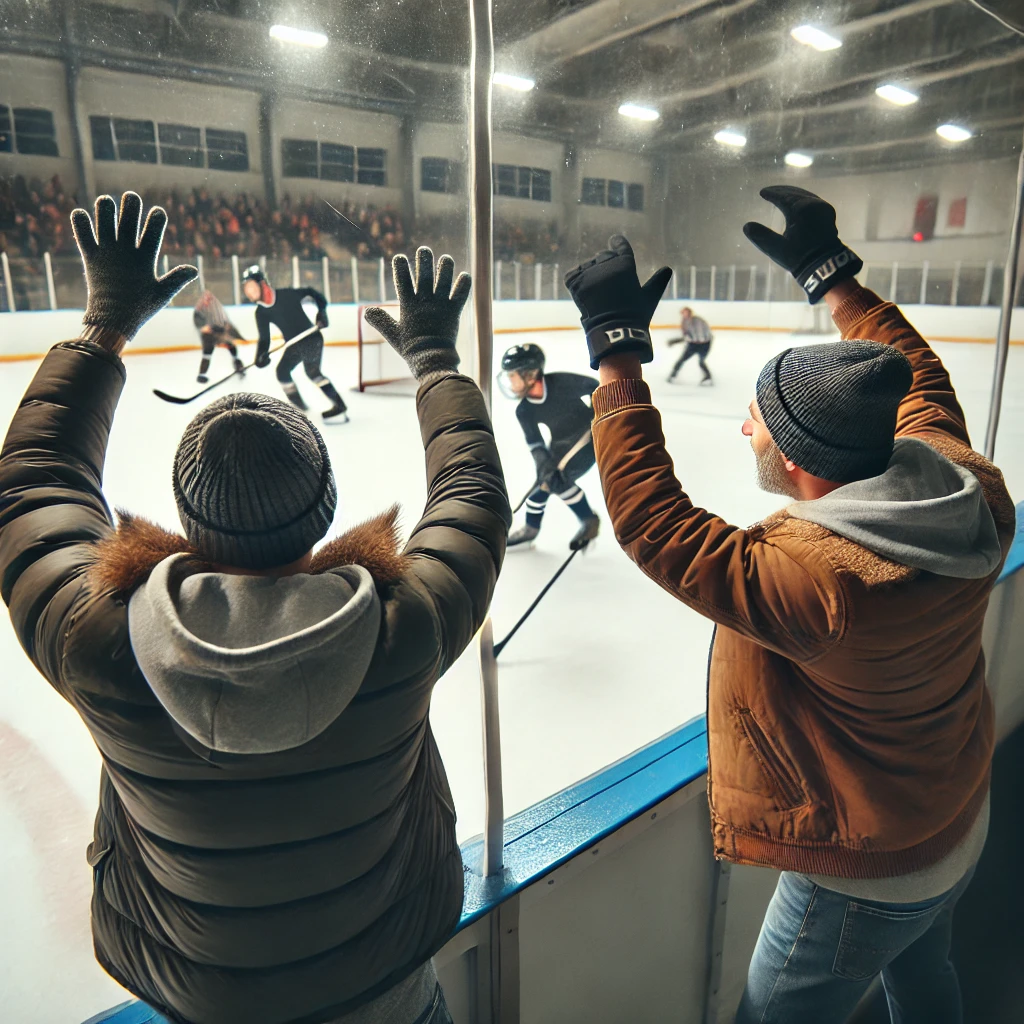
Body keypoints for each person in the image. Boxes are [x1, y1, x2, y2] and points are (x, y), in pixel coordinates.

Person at [0, 195, 510, 1024]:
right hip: (382, 976)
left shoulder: (94, 637)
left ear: (184, 519)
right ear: (325, 510)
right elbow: (473, 497)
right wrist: (435, 362)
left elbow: (32, 483)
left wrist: (101, 330)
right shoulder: (402, 626)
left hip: (204, 993)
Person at [564, 202, 1013, 1024]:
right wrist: (832, 276)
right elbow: (914, 373)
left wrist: (617, 361)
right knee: (924, 980)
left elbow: (655, 526)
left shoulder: (818, 584)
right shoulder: (969, 487)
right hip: (957, 814)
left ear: (800, 463)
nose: (743, 426)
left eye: (757, 423)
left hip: (865, 878)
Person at [497, 342, 601, 551]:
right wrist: (543, 463)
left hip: (588, 439)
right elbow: (534, 442)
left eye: (512, 376)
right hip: (560, 444)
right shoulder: (524, 410)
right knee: (542, 484)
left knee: (557, 481)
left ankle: (589, 520)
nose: (509, 382)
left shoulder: (560, 383)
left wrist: (597, 416)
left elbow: (595, 386)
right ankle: (531, 529)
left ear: (529, 374)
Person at [241, 264, 349, 423]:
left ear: (263, 284)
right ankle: (301, 409)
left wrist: (322, 313)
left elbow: (313, 293)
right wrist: (261, 356)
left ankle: (339, 406)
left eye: (251, 287)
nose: (249, 292)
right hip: (294, 344)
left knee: (313, 372)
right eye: (246, 289)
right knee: (282, 372)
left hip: (312, 338)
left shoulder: (287, 295)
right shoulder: (261, 312)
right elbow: (264, 338)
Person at [192, 288, 246, 383]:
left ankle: (239, 367)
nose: (208, 298)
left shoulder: (217, 307)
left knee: (232, 347)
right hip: (209, 335)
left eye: (209, 296)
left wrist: (233, 333)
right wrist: (204, 327)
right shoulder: (200, 308)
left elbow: (226, 322)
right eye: (205, 296)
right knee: (207, 353)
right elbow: (199, 321)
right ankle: (202, 375)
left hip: (221, 332)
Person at [666, 306, 713, 384]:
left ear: (690, 313)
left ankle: (708, 376)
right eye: (683, 313)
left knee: (701, 361)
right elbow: (687, 336)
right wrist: (676, 341)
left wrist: (677, 341)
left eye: (686, 313)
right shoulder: (684, 323)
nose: (684, 315)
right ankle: (672, 375)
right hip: (693, 345)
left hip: (705, 344)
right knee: (681, 360)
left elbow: (699, 336)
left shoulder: (698, 321)